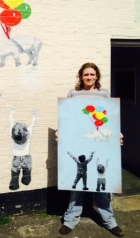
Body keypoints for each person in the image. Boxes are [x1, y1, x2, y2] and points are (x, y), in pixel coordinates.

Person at [56, 62, 124, 237]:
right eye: (86, 74)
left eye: (92, 74)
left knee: (102, 183)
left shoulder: (104, 93)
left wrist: (117, 134)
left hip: (99, 141)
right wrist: (60, 132)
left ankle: (109, 221)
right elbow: (68, 117)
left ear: (97, 76)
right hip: (78, 142)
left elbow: (109, 117)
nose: (89, 77)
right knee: (76, 184)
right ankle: (70, 219)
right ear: (81, 76)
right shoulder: (73, 93)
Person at [9, 109, 36, 190]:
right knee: (27, 172)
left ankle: (14, 185)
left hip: (16, 157)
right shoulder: (28, 135)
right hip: (26, 157)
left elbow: (11, 123)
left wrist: (11, 114)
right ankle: (26, 181)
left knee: (15, 174)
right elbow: (32, 125)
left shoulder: (12, 135)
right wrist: (33, 116)